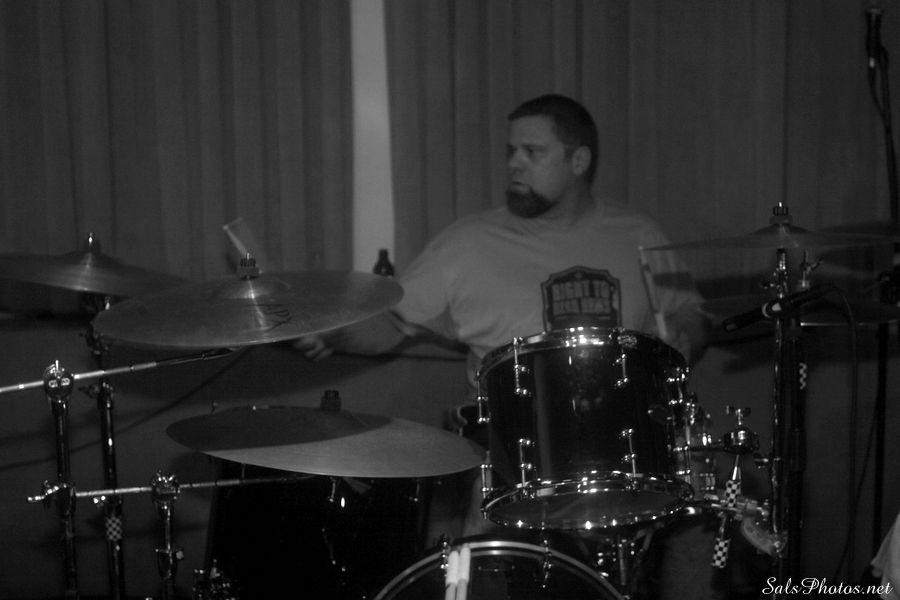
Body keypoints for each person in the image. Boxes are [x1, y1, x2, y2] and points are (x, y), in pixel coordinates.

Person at [297, 94, 721, 598]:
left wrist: (687, 335)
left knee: (701, 500)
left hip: (622, 445)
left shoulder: (637, 235)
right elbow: (392, 324)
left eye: (532, 152)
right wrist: (334, 332)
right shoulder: (466, 243)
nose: (514, 164)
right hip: (508, 450)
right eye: (510, 151)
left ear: (578, 160)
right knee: (471, 534)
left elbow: (689, 313)